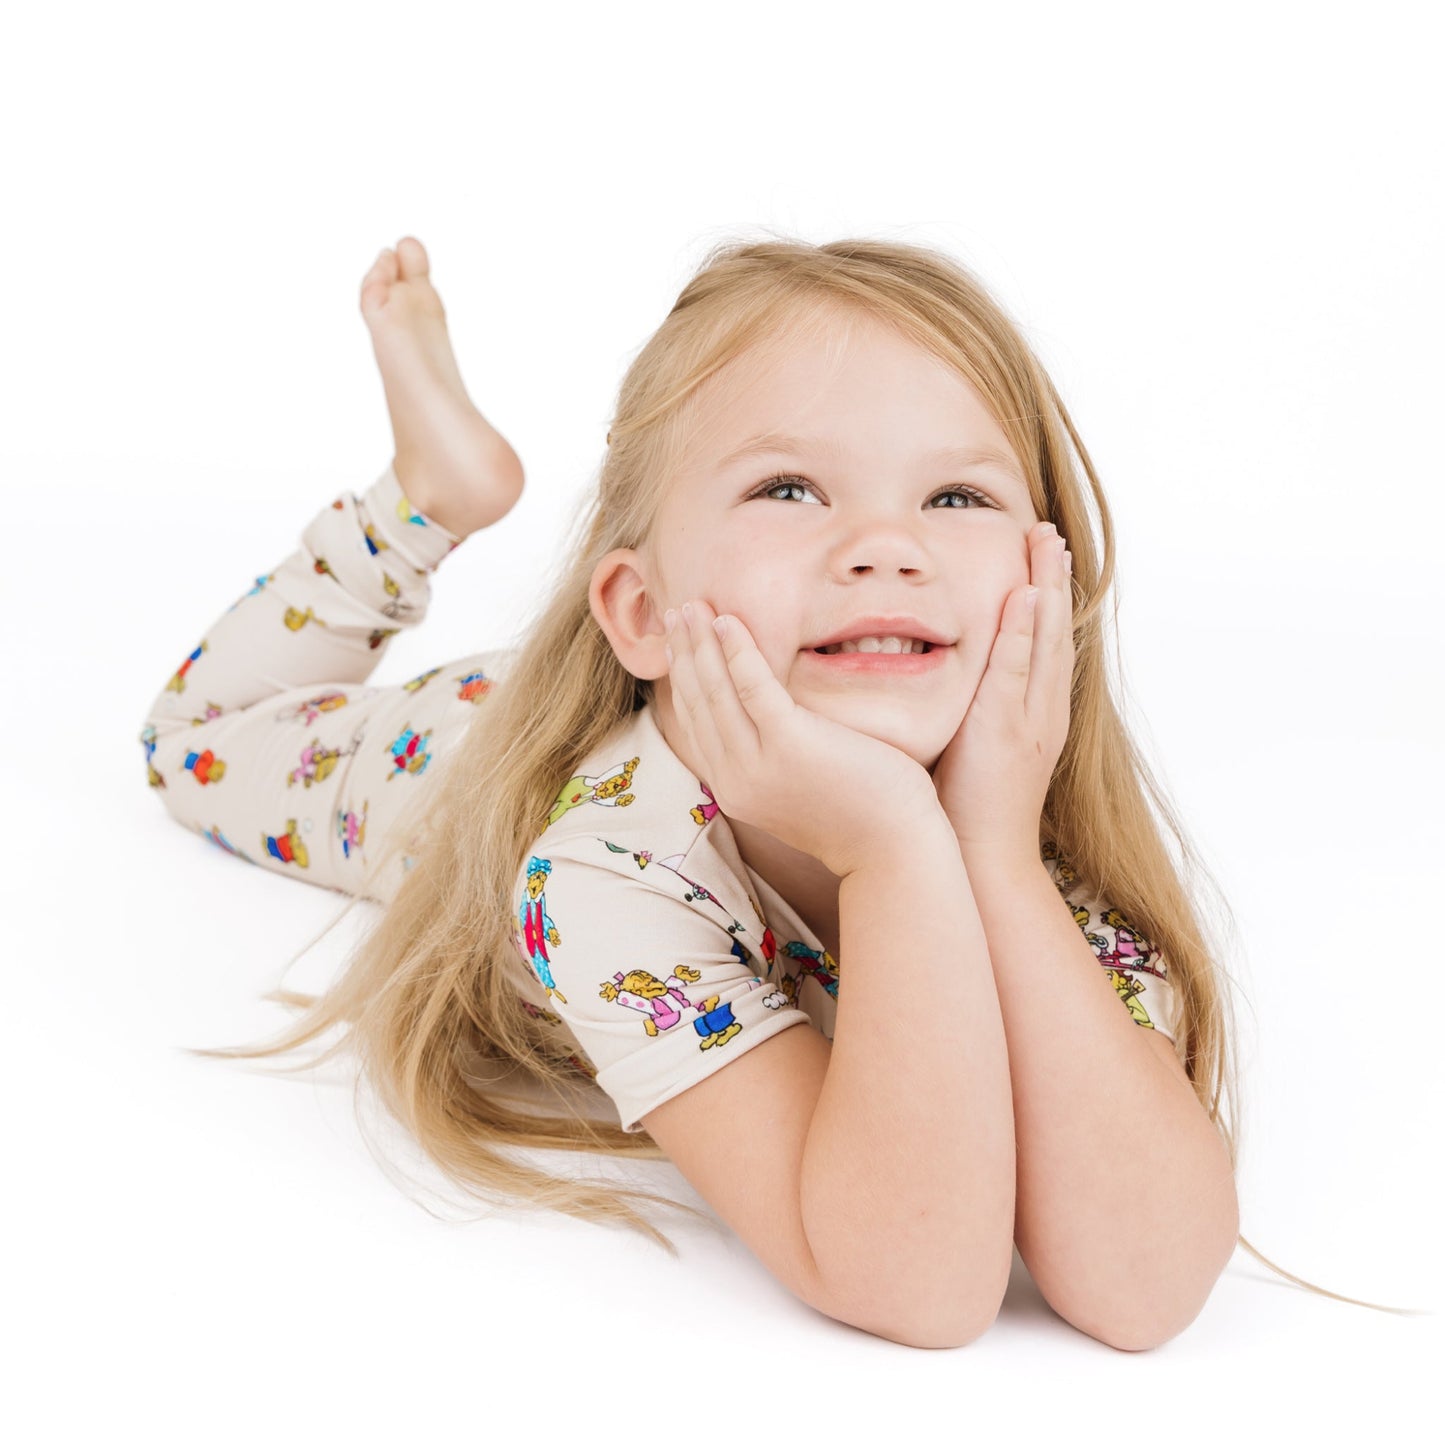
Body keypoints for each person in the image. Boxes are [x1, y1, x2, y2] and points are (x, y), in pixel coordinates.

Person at [139, 234, 1394, 1351]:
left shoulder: (1032, 824)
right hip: (460, 759)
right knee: (196, 739)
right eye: (788, 488)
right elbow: (918, 1285)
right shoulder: (596, 868)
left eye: (954, 496)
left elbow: (1145, 1282)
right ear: (641, 609)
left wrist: (988, 854)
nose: (883, 544)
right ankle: (430, 496)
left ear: (1046, 588)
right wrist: (897, 851)